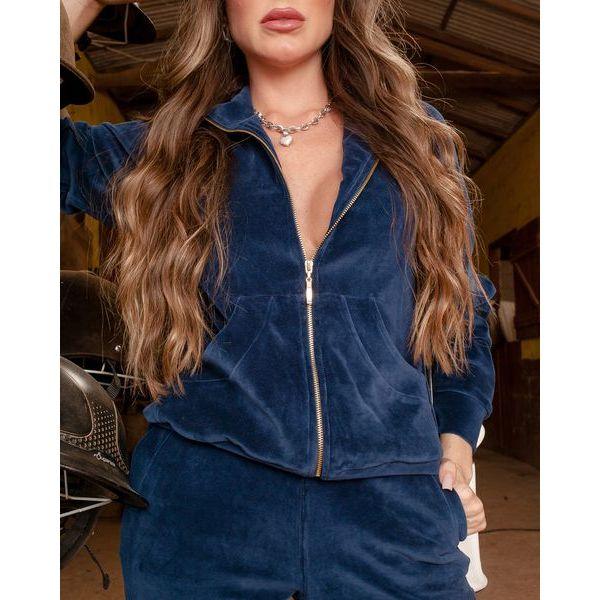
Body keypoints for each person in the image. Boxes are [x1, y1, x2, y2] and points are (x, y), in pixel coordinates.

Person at [61, 1, 496, 598]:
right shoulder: (166, 151)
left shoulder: (418, 147)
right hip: (203, 516)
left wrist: (457, 437)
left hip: (393, 511)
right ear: (222, 9)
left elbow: (462, 312)